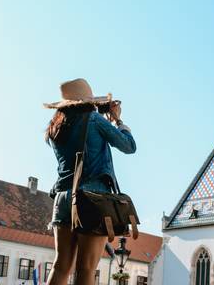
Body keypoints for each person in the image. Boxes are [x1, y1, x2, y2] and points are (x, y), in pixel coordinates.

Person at [43, 78, 136, 285]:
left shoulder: (55, 127)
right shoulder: (94, 119)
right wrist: (118, 121)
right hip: (91, 198)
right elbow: (129, 146)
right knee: (86, 268)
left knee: (60, 266)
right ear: (88, 102)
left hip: (62, 198)